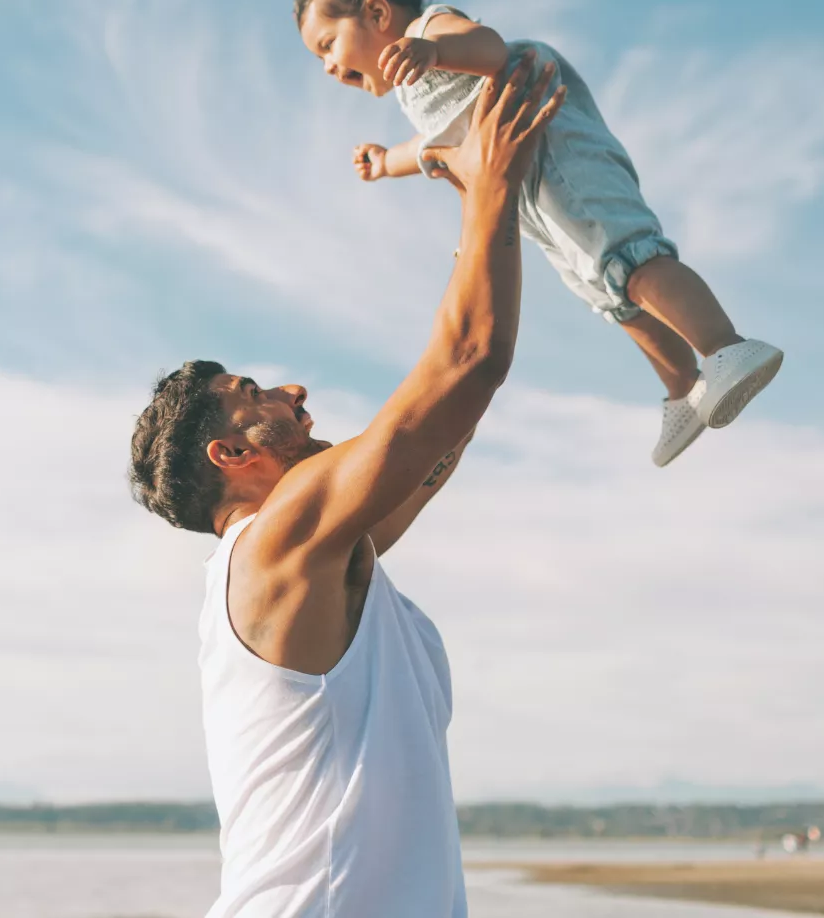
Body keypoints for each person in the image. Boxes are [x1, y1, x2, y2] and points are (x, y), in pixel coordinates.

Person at [128, 53, 558, 917]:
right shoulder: (275, 547)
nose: (291, 391)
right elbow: (467, 365)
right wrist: (491, 185)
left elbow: (448, 422)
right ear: (229, 454)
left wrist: (476, 217)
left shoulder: (326, 554)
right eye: (255, 394)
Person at [295, 0, 782, 467]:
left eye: (328, 45)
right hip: (534, 198)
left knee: (628, 259)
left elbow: (488, 47)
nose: (328, 66)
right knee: (611, 293)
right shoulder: (416, 93)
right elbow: (433, 144)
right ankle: (683, 388)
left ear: (378, 14)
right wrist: (387, 162)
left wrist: (431, 51)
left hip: (562, 159)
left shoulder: (431, 30)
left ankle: (725, 346)